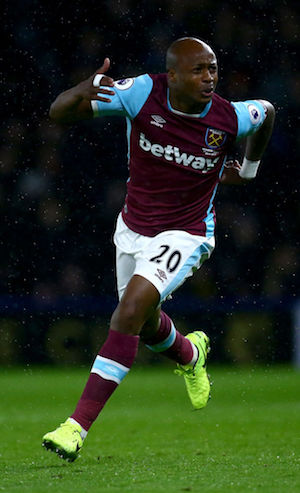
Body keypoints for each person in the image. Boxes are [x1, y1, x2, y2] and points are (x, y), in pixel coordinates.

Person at [42, 37, 275, 461]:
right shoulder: (141, 93)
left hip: (187, 233)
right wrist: (80, 89)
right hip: (132, 229)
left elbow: (268, 114)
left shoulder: (230, 117)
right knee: (146, 325)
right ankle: (191, 352)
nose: (209, 78)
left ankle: (75, 428)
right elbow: (58, 113)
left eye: (213, 69)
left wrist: (251, 170)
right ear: (172, 76)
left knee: (128, 312)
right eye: (198, 70)